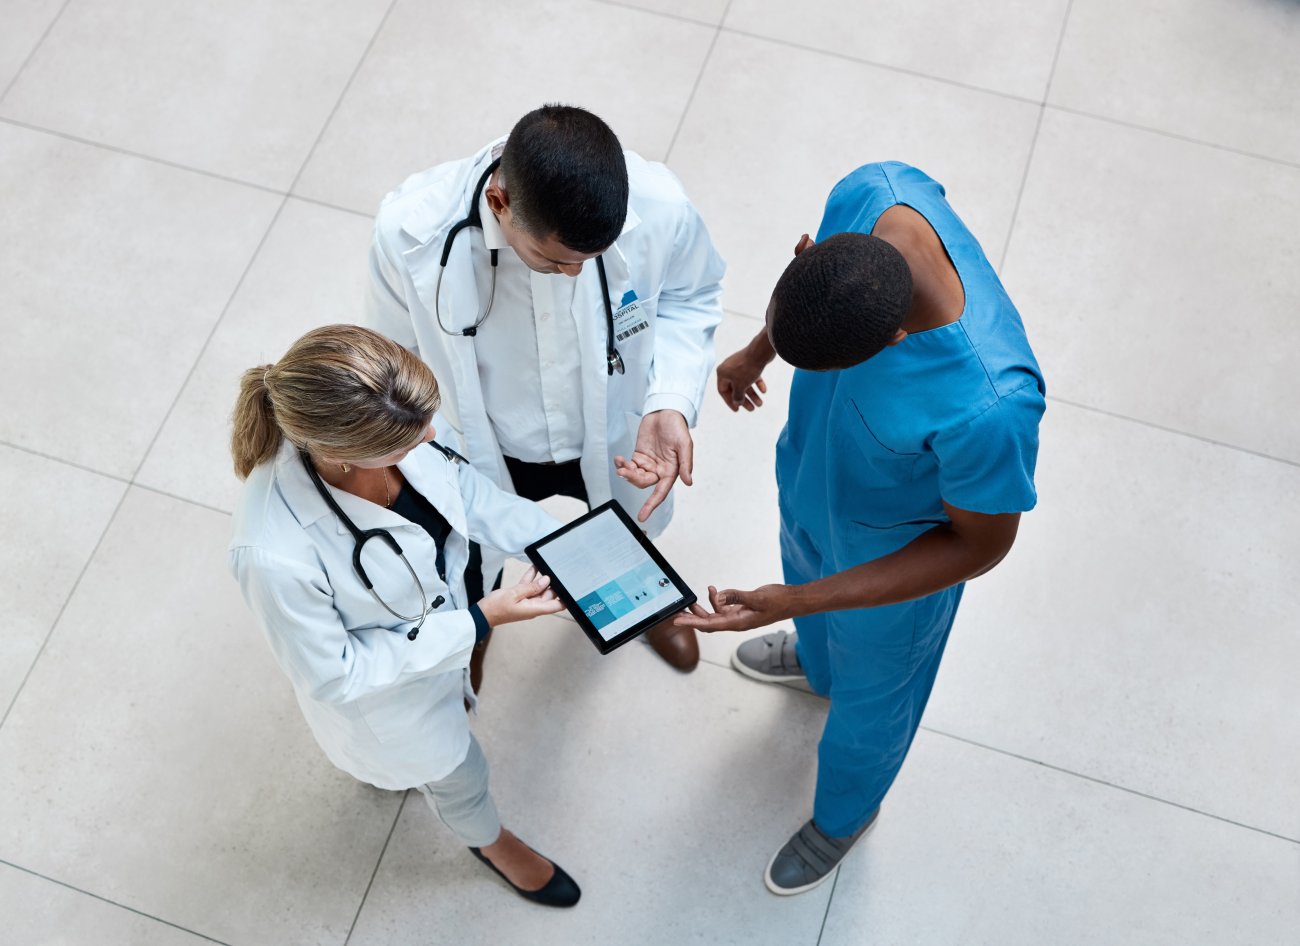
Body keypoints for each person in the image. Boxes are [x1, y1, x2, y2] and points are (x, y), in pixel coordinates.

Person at [680, 162, 1046, 895]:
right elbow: (812, 292)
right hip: (816, 483)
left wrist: (799, 600)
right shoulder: (874, 192)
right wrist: (758, 351)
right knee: (809, 592)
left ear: (895, 339)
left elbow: (982, 545)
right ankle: (817, 664)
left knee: (874, 700)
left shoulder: (990, 406)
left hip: (895, 562)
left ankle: (846, 815)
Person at [228, 324, 580, 907]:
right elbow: (334, 674)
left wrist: (584, 553)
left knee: (460, 704)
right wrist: (479, 620)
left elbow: (473, 497)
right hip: (391, 706)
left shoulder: (395, 412)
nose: (433, 436)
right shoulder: (273, 554)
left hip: (445, 624)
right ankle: (490, 842)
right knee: (460, 776)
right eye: (409, 443)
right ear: (339, 455)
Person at [367, 104, 725, 675]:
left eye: (592, 260)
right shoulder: (410, 232)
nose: (577, 275)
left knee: (629, 530)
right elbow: (392, 357)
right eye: (556, 262)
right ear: (498, 203)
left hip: (611, 432)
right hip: (491, 441)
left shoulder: (660, 207)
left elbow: (693, 295)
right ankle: (479, 623)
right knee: (474, 550)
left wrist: (669, 401)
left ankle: (647, 605)